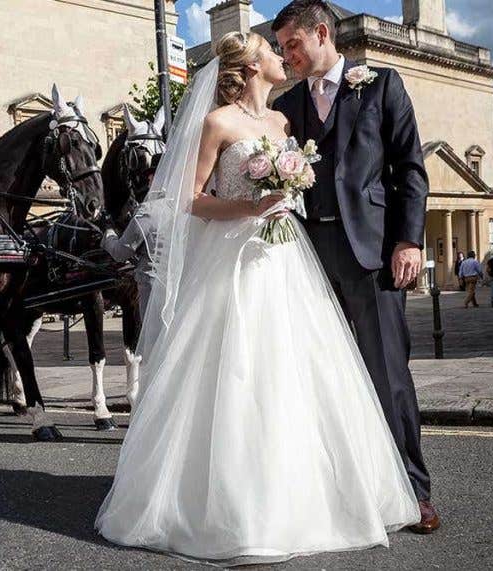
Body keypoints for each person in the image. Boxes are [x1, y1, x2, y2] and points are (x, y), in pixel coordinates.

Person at [95, 27, 420, 566]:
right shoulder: (216, 123)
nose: (282, 56)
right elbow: (191, 199)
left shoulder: (283, 121)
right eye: (273, 50)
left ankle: (313, 491)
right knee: (238, 369)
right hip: (235, 255)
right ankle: (230, 505)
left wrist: (286, 193)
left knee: (296, 370)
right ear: (249, 67)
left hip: (287, 255)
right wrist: (249, 207)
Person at [270, 0, 436, 530]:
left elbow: (410, 167)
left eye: (292, 45)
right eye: (281, 49)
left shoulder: (382, 86)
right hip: (308, 262)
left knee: (387, 375)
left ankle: (413, 492)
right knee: (322, 379)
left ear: (322, 34)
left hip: (372, 256)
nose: (288, 56)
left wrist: (408, 241)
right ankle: (343, 490)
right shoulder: (288, 105)